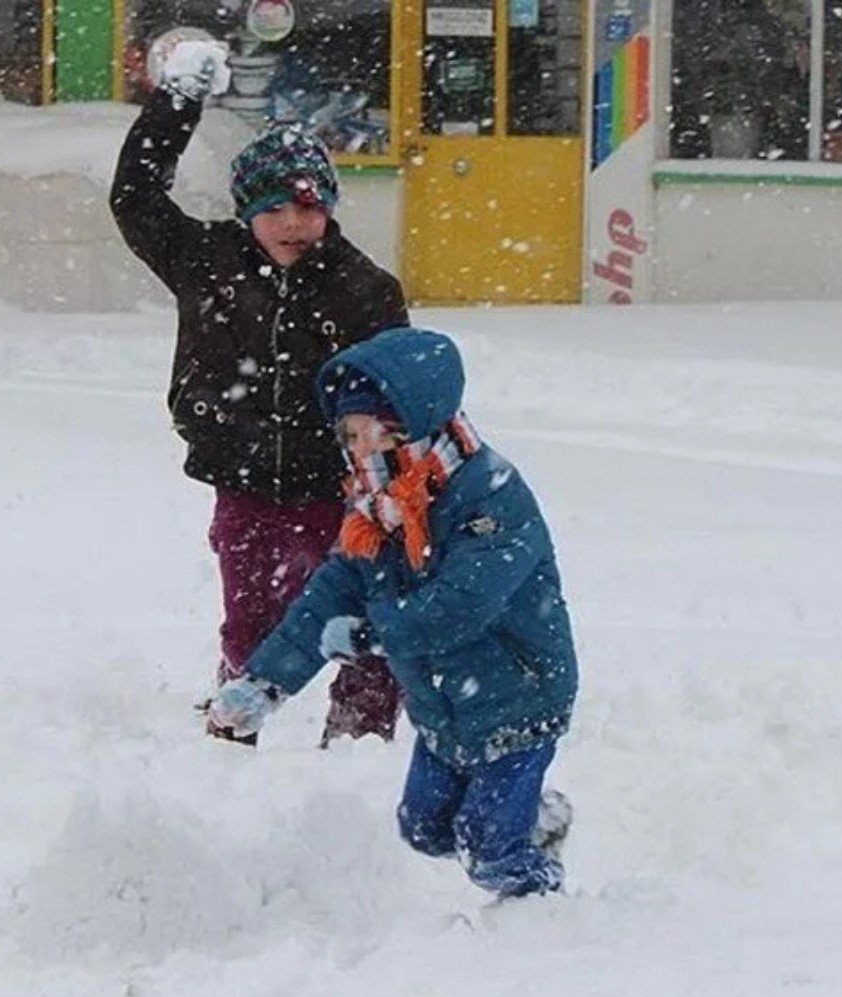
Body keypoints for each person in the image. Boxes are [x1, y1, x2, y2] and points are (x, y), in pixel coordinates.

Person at [206, 327, 577, 899]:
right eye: (346, 433)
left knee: (489, 850)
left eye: (362, 431)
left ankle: (542, 902)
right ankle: (533, 819)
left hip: (518, 696)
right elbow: (329, 596)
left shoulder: (491, 497)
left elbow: (461, 605)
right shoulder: (376, 505)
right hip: (441, 704)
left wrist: (370, 636)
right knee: (424, 829)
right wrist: (263, 685)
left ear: (405, 421)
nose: (352, 445)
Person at [110, 40, 410, 746]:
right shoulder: (206, 261)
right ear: (246, 210)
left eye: (308, 208)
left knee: (364, 626)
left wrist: (394, 490)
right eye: (273, 208)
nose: (292, 224)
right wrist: (176, 102)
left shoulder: (365, 290)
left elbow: (398, 400)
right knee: (253, 621)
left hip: (342, 491)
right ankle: (231, 735)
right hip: (243, 481)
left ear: (330, 209)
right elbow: (136, 197)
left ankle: (357, 750)